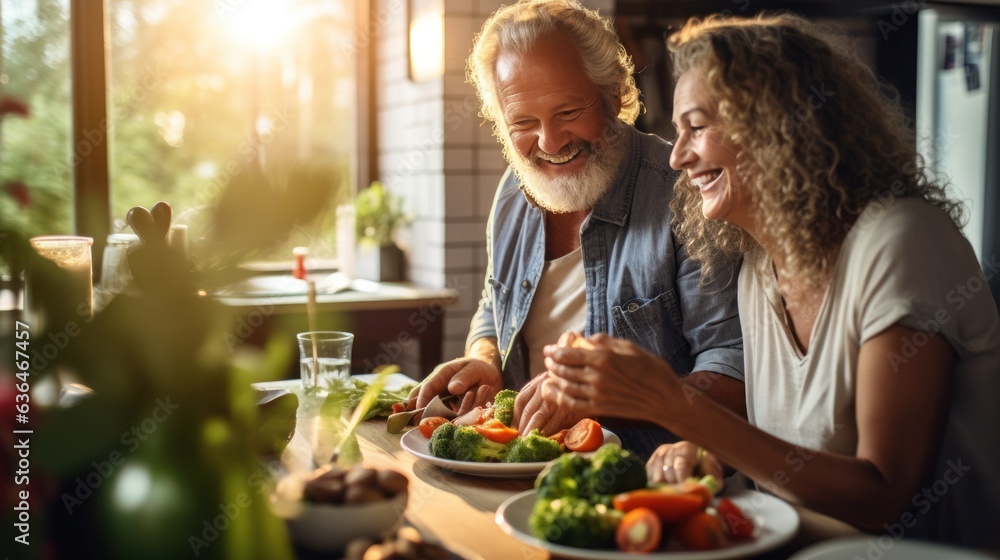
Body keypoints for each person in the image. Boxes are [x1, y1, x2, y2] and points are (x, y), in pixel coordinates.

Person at [537, 13, 1000, 547]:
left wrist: (673, 404)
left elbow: (883, 497)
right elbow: (784, 454)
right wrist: (708, 456)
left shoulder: (900, 241)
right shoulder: (757, 262)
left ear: (779, 126)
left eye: (698, 126)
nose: (678, 154)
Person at [412, 0, 745, 453]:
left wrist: (609, 402)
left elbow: (733, 374)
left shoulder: (683, 195)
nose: (549, 142)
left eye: (568, 112)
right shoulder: (513, 193)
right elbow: (493, 306)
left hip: (643, 482)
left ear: (612, 94)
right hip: (520, 474)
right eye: (524, 123)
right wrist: (484, 359)